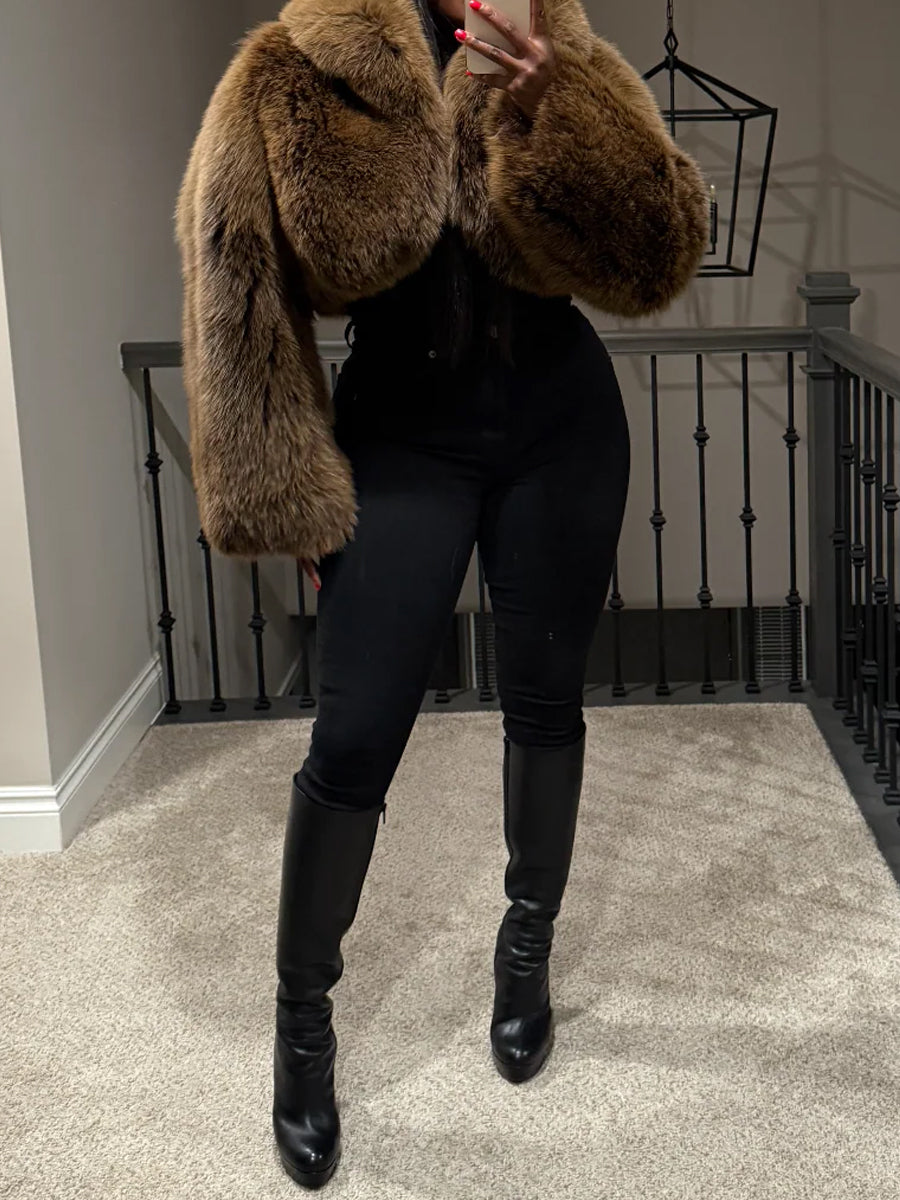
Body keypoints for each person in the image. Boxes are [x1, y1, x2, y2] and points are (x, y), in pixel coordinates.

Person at [176, 0, 708, 1187]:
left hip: (562, 426)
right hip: (402, 435)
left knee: (546, 703)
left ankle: (527, 954)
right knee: (354, 737)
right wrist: (285, 481)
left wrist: (557, 104)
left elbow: (663, 250)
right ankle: (302, 1030)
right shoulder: (299, 65)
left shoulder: (552, 47)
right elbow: (235, 274)